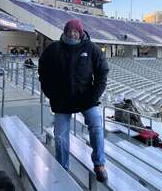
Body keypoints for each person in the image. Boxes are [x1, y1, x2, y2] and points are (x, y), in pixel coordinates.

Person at [38, 19, 109, 183]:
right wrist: (51, 94)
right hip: (62, 100)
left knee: (96, 124)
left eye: (75, 31)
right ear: (65, 31)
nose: (72, 33)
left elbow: (102, 74)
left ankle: (99, 164)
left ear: (81, 32)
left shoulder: (92, 49)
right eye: (69, 31)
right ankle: (62, 167)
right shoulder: (54, 48)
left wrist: (93, 97)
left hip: (86, 98)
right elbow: (43, 72)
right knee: (60, 136)